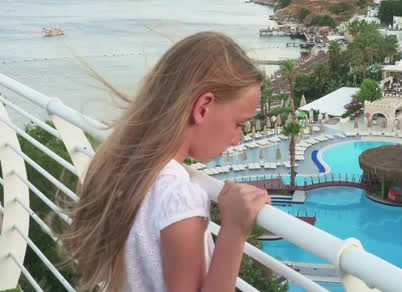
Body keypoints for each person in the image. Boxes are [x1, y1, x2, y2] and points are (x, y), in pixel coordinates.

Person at [61, 32, 271, 292]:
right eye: (238, 124)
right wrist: (235, 231)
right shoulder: (179, 198)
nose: (238, 139)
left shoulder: (122, 168)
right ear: (203, 107)